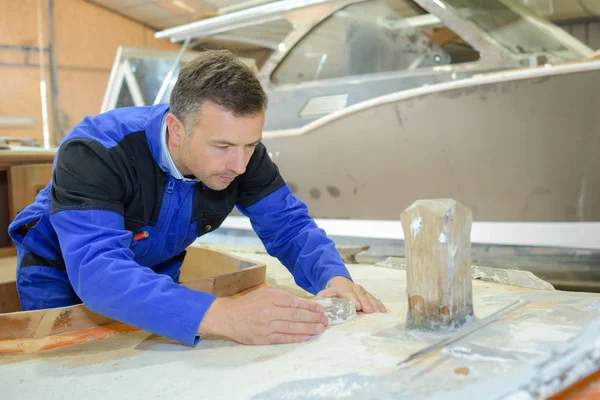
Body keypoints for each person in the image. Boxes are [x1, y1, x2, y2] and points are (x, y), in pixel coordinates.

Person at [8, 50, 386, 346]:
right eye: (222, 146)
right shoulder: (95, 151)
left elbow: (289, 226)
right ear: (176, 129)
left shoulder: (242, 155)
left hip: (154, 269)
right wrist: (227, 316)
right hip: (63, 273)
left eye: (250, 145)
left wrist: (334, 277)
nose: (239, 165)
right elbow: (99, 273)